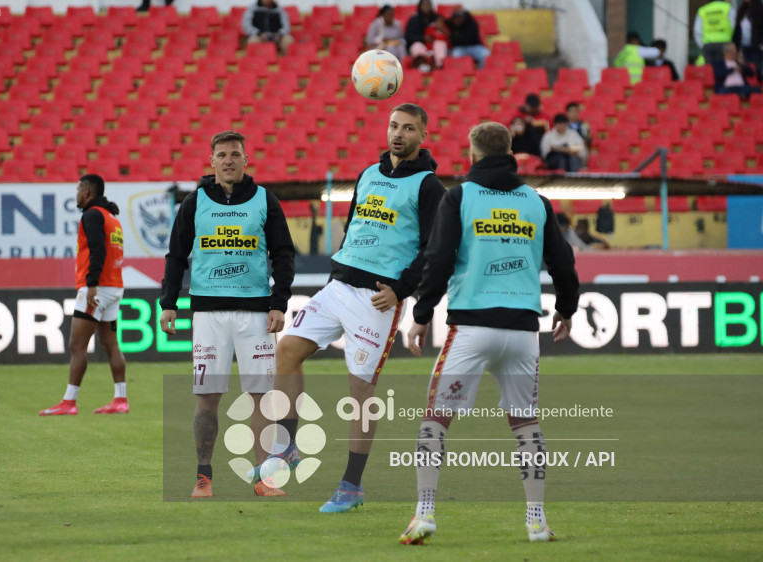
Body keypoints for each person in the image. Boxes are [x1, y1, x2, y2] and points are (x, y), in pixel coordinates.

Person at [398, 121, 579, 545]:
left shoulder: (460, 196)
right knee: (526, 425)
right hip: (521, 332)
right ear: (511, 151)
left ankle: (424, 513)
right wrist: (567, 308)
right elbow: (563, 262)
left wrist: (422, 314)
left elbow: (438, 259)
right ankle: (536, 521)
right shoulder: (536, 201)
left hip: (472, 328)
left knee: (435, 421)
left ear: (473, 153)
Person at [273, 103, 446, 512]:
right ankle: (289, 447)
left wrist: (403, 288)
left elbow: (435, 248)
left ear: (423, 136)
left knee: (361, 391)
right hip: (338, 286)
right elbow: (355, 225)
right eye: (393, 126)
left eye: (408, 128)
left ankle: (352, 485)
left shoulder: (428, 186)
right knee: (286, 351)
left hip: (376, 299)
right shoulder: (369, 173)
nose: (398, 134)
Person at [159, 131, 295, 498]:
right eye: (222, 155)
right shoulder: (194, 202)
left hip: (256, 314)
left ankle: (265, 478)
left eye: (236, 154)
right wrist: (168, 302)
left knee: (262, 396)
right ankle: (204, 477)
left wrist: (279, 302)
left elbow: (283, 254)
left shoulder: (265, 200)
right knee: (208, 397)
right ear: (212, 161)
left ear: (246, 159)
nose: (229, 160)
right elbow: (176, 255)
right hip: (208, 315)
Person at [40, 174, 127, 417]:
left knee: (77, 345)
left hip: (96, 289)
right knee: (111, 344)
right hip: (114, 286)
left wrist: (90, 285)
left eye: (78, 189)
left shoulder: (91, 215)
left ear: (87, 192)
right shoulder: (112, 218)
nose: (76, 193)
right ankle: (121, 399)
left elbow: (98, 250)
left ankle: (69, 402)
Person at [405, 0, 446, 71]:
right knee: (416, 46)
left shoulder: (437, 18)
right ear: (420, 7)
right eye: (424, 5)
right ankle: (427, 65)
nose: (427, 7)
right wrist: (423, 38)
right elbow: (409, 37)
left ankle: (439, 66)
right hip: (421, 46)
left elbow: (446, 33)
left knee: (440, 43)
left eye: (428, 5)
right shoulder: (413, 20)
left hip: (434, 45)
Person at [694, 0, 736, 66]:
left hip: (708, 45)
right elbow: (735, 27)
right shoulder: (728, 8)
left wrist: (703, 46)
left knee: (709, 71)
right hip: (725, 44)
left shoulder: (703, 10)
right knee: (725, 70)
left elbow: (697, 31)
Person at [733, 0, 763, 82]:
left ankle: (759, 88)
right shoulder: (743, 9)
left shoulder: (759, 9)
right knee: (747, 68)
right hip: (744, 45)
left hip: (756, 45)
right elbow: (737, 29)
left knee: (757, 68)